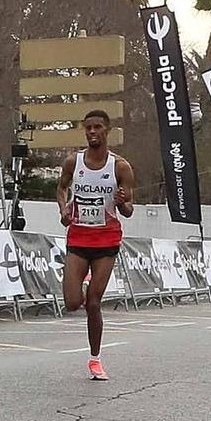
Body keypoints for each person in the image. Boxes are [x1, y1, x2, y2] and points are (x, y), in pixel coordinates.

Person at [58, 108, 136, 380]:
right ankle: (83, 275)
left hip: (106, 240)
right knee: (71, 302)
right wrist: (63, 210)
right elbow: (61, 187)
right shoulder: (73, 162)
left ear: (107, 130)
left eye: (97, 128)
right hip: (79, 237)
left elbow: (129, 210)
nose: (92, 132)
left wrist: (122, 202)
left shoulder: (120, 167)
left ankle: (95, 359)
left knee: (93, 303)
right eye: (88, 128)